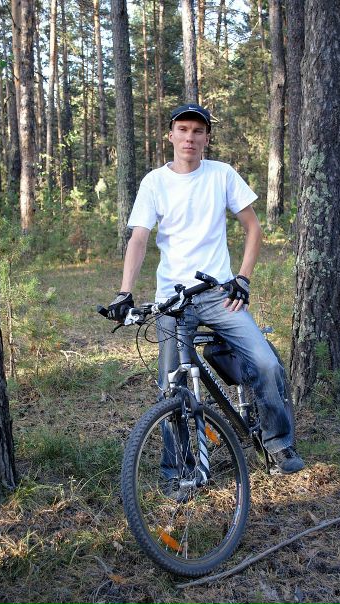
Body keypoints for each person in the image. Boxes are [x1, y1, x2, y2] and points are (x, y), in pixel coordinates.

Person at [107, 103, 304, 475]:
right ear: (170, 135)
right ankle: (180, 471)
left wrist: (242, 278)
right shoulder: (154, 182)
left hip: (219, 294)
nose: (190, 138)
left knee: (265, 363)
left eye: (198, 131)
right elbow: (139, 238)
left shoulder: (222, 174)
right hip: (171, 301)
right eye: (183, 130)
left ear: (206, 139)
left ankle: (278, 443)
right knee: (171, 387)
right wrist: (124, 291)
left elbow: (253, 228)